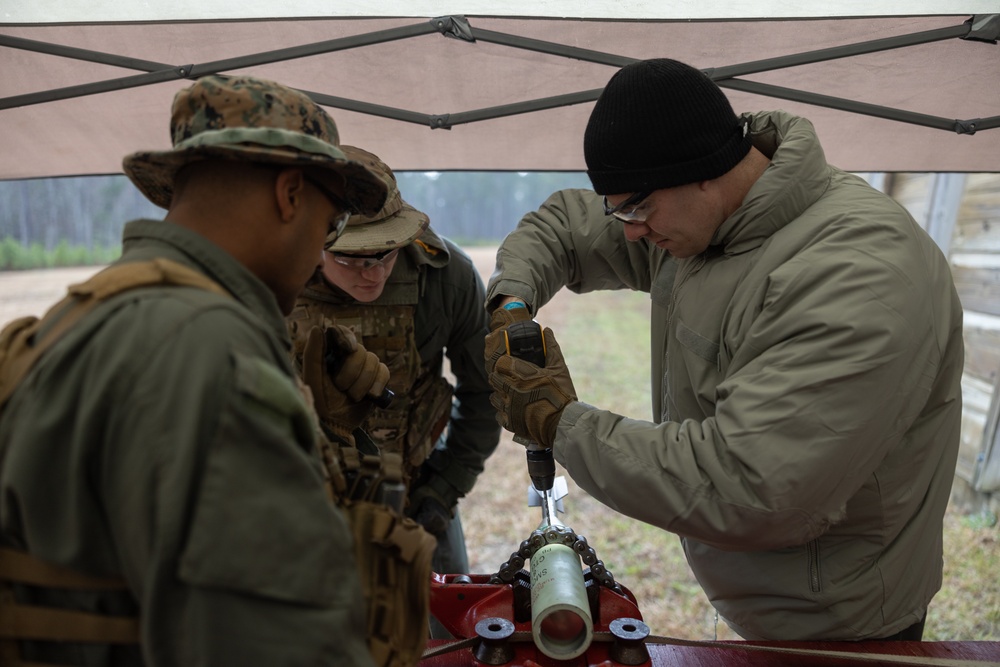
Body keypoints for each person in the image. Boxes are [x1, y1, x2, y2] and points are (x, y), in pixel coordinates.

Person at [484, 58, 964, 642]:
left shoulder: (857, 270)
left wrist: (560, 422)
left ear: (704, 170)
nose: (629, 230)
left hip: (844, 624)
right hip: (761, 595)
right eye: (619, 211)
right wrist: (511, 305)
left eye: (635, 208)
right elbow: (564, 225)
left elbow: (753, 488)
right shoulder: (700, 217)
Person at [0, 75, 431, 666]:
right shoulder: (210, 352)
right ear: (290, 195)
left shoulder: (76, 317)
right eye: (331, 225)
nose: (319, 257)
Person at [286, 146, 501, 597]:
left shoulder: (446, 277)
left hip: (416, 491)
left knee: (444, 637)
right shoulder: (274, 280)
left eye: (387, 254)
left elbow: (483, 394)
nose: (374, 274)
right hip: (299, 499)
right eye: (351, 260)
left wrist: (443, 490)